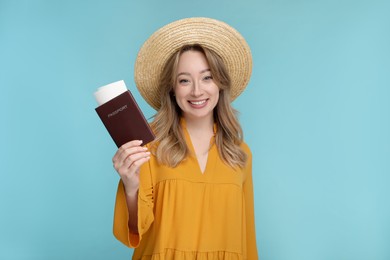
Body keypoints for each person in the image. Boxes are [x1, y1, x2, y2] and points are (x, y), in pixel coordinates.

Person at [111, 17, 258, 259]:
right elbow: (136, 230)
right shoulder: (150, 147)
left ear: (220, 84)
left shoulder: (240, 153)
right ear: (172, 88)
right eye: (184, 80)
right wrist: (131, 187)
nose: (197, 90)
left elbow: (247, 238)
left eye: (207, 77)